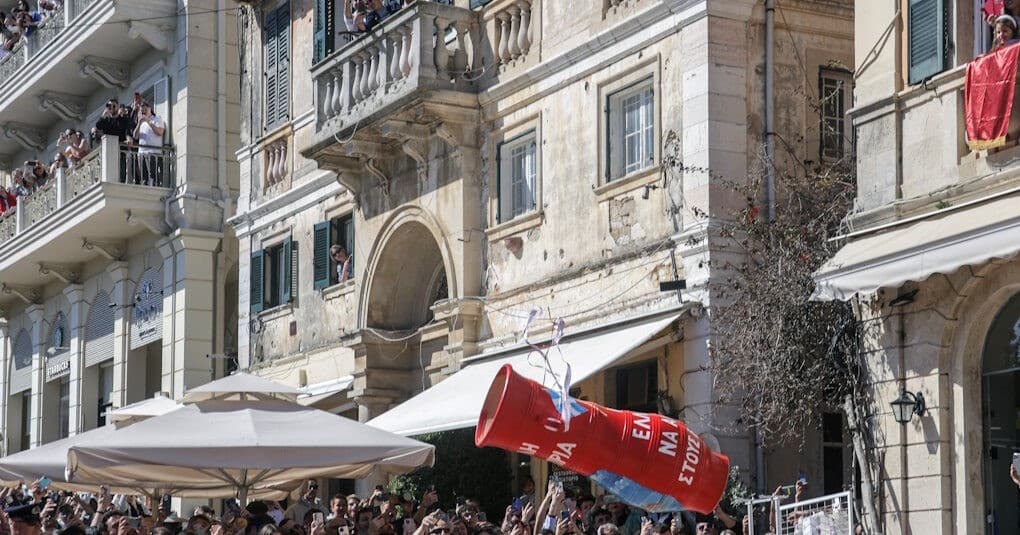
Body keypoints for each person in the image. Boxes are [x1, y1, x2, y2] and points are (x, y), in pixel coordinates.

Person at [132, 102, 166, 186]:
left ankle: (154, 186)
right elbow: (135, 136)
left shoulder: (156, 119)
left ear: (150, 109)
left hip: (153, 153)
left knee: (152, 175)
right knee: (144, 177)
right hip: (142, 153)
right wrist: (139, 123)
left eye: (144, 109)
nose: (143, 111)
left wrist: (148, 121)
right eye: (141, 110)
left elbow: (160, 132)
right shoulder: (141, 123)